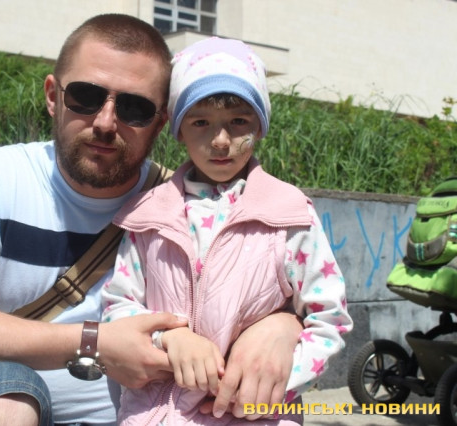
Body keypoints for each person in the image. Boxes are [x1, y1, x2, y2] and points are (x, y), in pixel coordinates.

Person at [0, 14, 304, 426]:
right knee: (6, 399)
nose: (106, 122)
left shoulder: (186, 207)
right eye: (86, 97)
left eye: (134, 108)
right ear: (53, 96)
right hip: (10, 409)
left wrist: (282, 325)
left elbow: (287, 286)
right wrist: (95, 342)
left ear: (161, 123)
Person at [101, 36, 353, 425]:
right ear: (178, 130)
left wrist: (265, 389)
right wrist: (169, 337)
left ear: (261, 126)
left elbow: (328, 318)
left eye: (238, 121)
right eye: (200, 122)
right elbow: (118, 308)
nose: (220, 140)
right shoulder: (147, 217)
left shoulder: (289, 215)